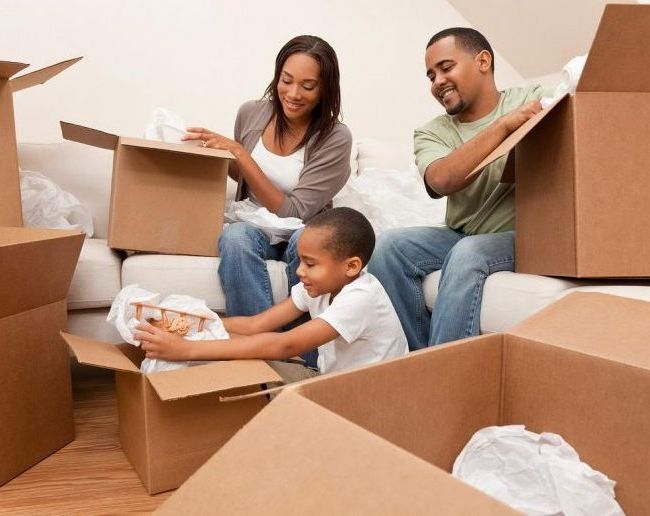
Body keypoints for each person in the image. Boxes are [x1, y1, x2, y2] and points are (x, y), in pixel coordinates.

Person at [368, 27, 546, 349]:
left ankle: (443, 375)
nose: (437, 82)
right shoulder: (431, 133)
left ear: (483, 61)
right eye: (430, 75)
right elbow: (440, 181)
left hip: (523, 235)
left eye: (446, 68)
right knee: (388, 248)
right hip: (462, 232)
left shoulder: (530, 100)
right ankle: (422, 361)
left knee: (468, 252)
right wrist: (504, 125)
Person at [182, 35, 353, 322]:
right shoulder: (251, 113)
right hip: (254, 224)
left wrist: (240, 154)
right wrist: (215, 157)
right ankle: (260, 349)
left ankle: (307, 355)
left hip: (304, 227)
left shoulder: (336, 138)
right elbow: (245, 178)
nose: (293, 93)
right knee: (235, 237)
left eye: (308, 86)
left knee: (306, 242)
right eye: (286, 80)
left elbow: (295, 212)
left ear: (325, 90)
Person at [135, 208, 408, 380]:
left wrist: (187, 350)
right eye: (300, 261)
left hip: (367, 398)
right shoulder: (318, 286)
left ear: (351, 266)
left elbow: (286, 345)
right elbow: (256, 324)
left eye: (310, 264)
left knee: (242, 374)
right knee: (231, 361)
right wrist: (191, 323)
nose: (300, 271)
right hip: (331, 380)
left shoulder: (361, 297)